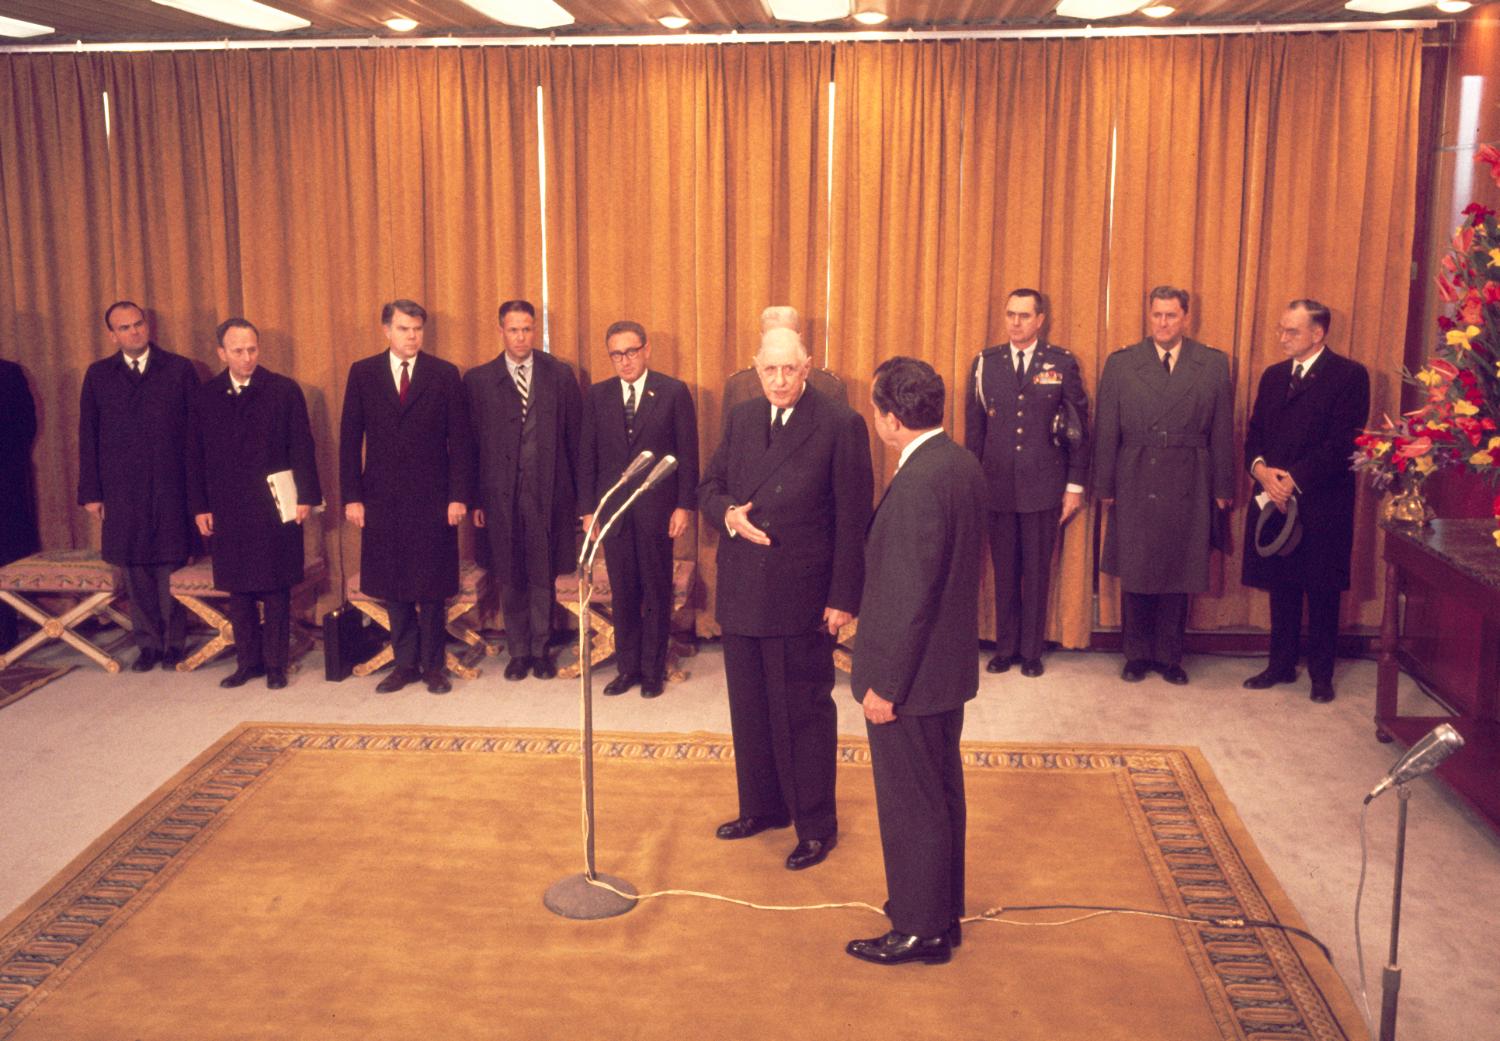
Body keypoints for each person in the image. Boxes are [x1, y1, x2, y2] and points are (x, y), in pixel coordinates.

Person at [699, 326, 872, 871]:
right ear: (756, 369)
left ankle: (816, 825)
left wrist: (844, 597)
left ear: (808, 367)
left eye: (789, 369)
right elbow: (709, 487)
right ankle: (763, 808)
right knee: (749, 709)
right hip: (744, 587)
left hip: (801, 594)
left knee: (802, 714)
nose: (778, 380)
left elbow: (853, 519)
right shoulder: (743, 417)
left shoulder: (840, 425)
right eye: (769, 370)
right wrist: (727, 515)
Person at [847, 357, 984, 966]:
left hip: (912, 679)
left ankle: (917, 929)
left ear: (891, 419)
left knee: (911, 805)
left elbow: (910, 599)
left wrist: (884, 687)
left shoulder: (919, 483)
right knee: (941, 796)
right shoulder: (958, 463)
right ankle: (940, 915)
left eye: (877, 409)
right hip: (945, 670)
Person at [1093, 286, 1233, 685]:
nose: (1163, 323)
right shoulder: (1122, 363)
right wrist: (1104, 483)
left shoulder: (1211, 363)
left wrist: (1223, 485)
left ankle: (1170, 657)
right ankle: (1136, 655)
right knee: (1136, 568)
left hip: (1191, 474)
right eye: (1156, 315)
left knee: (1180, 568)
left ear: (1186, 317)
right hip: (1135, 473)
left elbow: (1223, 429)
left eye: (1171, 315)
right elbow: (1106, 428)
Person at [339, 300, 473, 696]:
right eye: (403, 329)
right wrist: (352, 496)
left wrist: (458, 496)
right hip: (381, 498)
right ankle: (404, 664)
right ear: (386, 330)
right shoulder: (363, 373)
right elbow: (350, 440)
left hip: (434, 497)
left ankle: (433, 666)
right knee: (394, 585)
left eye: (417, 329)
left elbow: (461, 443)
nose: (411, 336)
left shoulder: (445, 374)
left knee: (431, 586)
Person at [1242, 300, 1370, 704]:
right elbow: (1256, 432)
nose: (1282, 338)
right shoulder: (1274, 376)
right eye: (1281, 330)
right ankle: (1280, 665)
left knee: (1322, 589)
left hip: (1322, 501)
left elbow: (1343, 442)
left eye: (1291, 332)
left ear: (1318, 333)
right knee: (1281, 584)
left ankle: (1321, 674)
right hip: (1273, 497)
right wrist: (1261, 471)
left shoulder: (1349, 375)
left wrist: (1293, 480)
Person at [188, 318, 321, 690]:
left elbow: (302, 446)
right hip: (228, 505)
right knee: (239, 588)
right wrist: (200, 506)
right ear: (221, 353)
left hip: (274, 503)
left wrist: (306, 497)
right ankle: (247, 662)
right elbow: (193, 456)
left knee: (276, 587)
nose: (247, 358)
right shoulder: (206, 396)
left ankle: (276, 665)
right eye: (238, 351)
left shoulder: (282, 390)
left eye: (252, 350)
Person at [964, 289, 1089, 678]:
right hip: (998, 486)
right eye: (1010, 315)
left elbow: (1080, 429)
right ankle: (1005, 648)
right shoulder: (986, 363)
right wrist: (974, 482)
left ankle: (1032, 651)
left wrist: (1074, 486)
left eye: (1023, 315)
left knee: (1036, 572)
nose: (1015, 322)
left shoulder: (1061, 363)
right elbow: (975, 429)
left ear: (1040, 320)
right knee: (1004, 570)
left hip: (1043, 486)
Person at [578, 320, 698, 699]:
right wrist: (588, 511)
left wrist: (684, 506)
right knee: (624, 592)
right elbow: (587, 457)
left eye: (631, 352)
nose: (625, 361)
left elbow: (688, 455)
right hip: (613, 513)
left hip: (657, 512)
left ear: (646, 350)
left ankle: (652, 670)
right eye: (616, 354)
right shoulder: (598, 396)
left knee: (656, 590)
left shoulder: (673, 392)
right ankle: (626, 667)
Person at [77, 301, 199, 671]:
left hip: (170, 484)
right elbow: (88, 435)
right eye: (125, 328)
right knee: (134, 566)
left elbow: (196, 435)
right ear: (112, 334)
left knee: (170, 562)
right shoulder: (98, 375)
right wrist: (92, 492)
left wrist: (198, 493)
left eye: (138, 324)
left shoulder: (179, 369)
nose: (134, 332)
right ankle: (147, 643)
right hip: (122, 488)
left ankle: (175, 642)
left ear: (148, 326)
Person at [465, 300, 581, 680]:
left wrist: (579, 500)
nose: (521, 336)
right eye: (513, 329)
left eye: (527, 329)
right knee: (510, 571)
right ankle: (518, 651)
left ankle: (541, 648)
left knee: (542, 572)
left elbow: (575, 441)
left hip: (548, 493)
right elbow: (471, 446)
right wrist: (476, 499)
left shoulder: (559, 375)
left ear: (536, 330)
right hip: (500, 496)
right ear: (501, 331)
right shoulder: (479, 380)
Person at [0, 356, 39, 651]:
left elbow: (25, 426)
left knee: (4, 555)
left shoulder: (9, 373)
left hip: (4, 481)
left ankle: (5, 630)